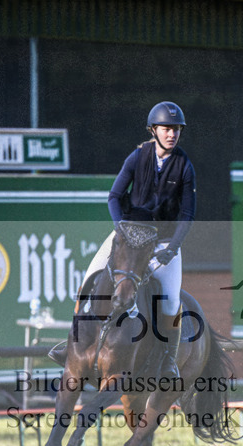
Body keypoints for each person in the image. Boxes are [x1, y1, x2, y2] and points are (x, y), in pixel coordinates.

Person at [52, 101, 196, 381]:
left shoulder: (184, 165)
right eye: (167, 128)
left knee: (169, 300)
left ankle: (168, 359)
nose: (172, 134)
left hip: (162, 240)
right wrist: (121, 230)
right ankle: (70, 344)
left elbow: (188, 214)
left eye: (177, 129)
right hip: (127, 233)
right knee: (89, 278)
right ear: (153, 130)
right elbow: (114, 197)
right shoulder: (137, 156)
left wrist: (174, 248)